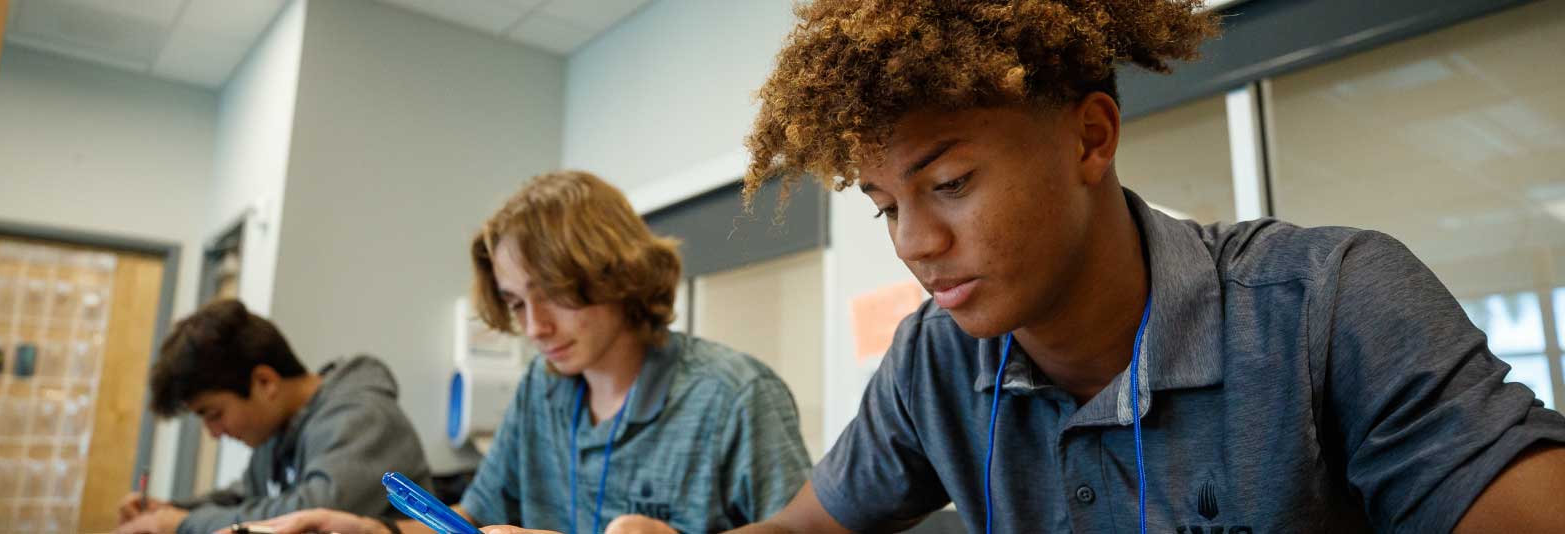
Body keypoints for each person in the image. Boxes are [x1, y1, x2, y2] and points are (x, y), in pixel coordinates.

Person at [707, 1, 1565, 533]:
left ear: (1091, 137)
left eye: (950, 183)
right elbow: (808, 526)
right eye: (888, 206)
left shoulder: (1328, 302)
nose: (914, 243)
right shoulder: (933, 359)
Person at [232, 170, 812, 534]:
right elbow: (470, 519)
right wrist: (369, 532)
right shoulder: (543, 387)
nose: (534, 327)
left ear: (619, 274)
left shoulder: (735, 398)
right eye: (514, 303)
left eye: (553, 295)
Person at [117, 299, 432, 534]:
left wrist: (183, 524)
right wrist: (170, 510)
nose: (213, 432)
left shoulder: (363, 418)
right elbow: (243, 495)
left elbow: (308, 516)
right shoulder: (277, 435)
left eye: (214, 414)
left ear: (265, 382)